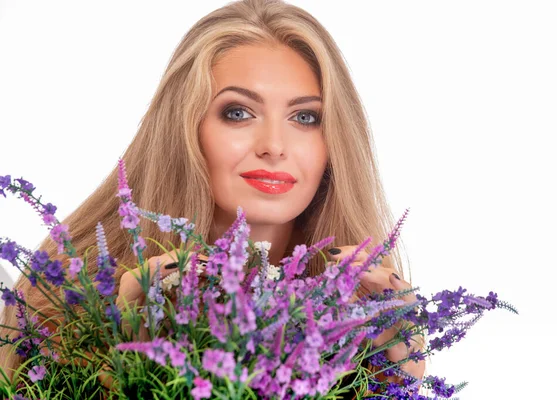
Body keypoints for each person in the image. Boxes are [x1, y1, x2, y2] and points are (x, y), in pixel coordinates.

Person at [0, 0, 426, 394]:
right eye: (238, 113)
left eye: (305, 117)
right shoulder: (68, 301)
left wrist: (399, 383)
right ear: (185, 129)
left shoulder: (365, 314)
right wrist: (126, 369)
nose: (274, 145)